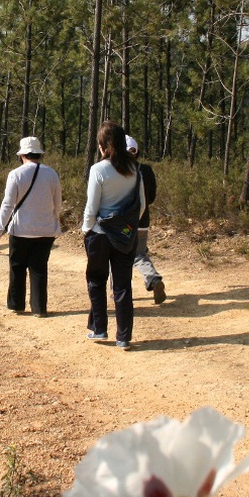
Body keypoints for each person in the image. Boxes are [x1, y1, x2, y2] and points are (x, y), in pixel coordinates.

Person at [82, 121, 146, 351]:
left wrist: (86, 229)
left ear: (103, 145)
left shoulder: (98, 170)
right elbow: (141, 205)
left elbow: (92, 206)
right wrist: (128, 227)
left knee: (97, 280)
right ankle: (124, 337)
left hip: (99, 235)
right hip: (125, 236)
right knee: (122, 285)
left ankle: (99, 328)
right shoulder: (135, 169)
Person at [0, 136, 62, 317]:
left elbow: (7, 205)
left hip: (21, 229)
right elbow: (58, 203)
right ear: (39, 153)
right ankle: (39, 308)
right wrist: (53, 219)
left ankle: (17, 304)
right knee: (39, 268)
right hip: (46, 229)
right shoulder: (51, 173)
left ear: (22, 154)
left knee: (17, 266)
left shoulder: (15, 174)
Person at [126, 135, 166, 304]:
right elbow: (151, 198)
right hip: (143, 221)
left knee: (120, 256)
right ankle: (153, 279)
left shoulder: (116, 171)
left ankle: (120, 291)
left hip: (124, 224)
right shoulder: (146, 170)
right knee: (139, 254)